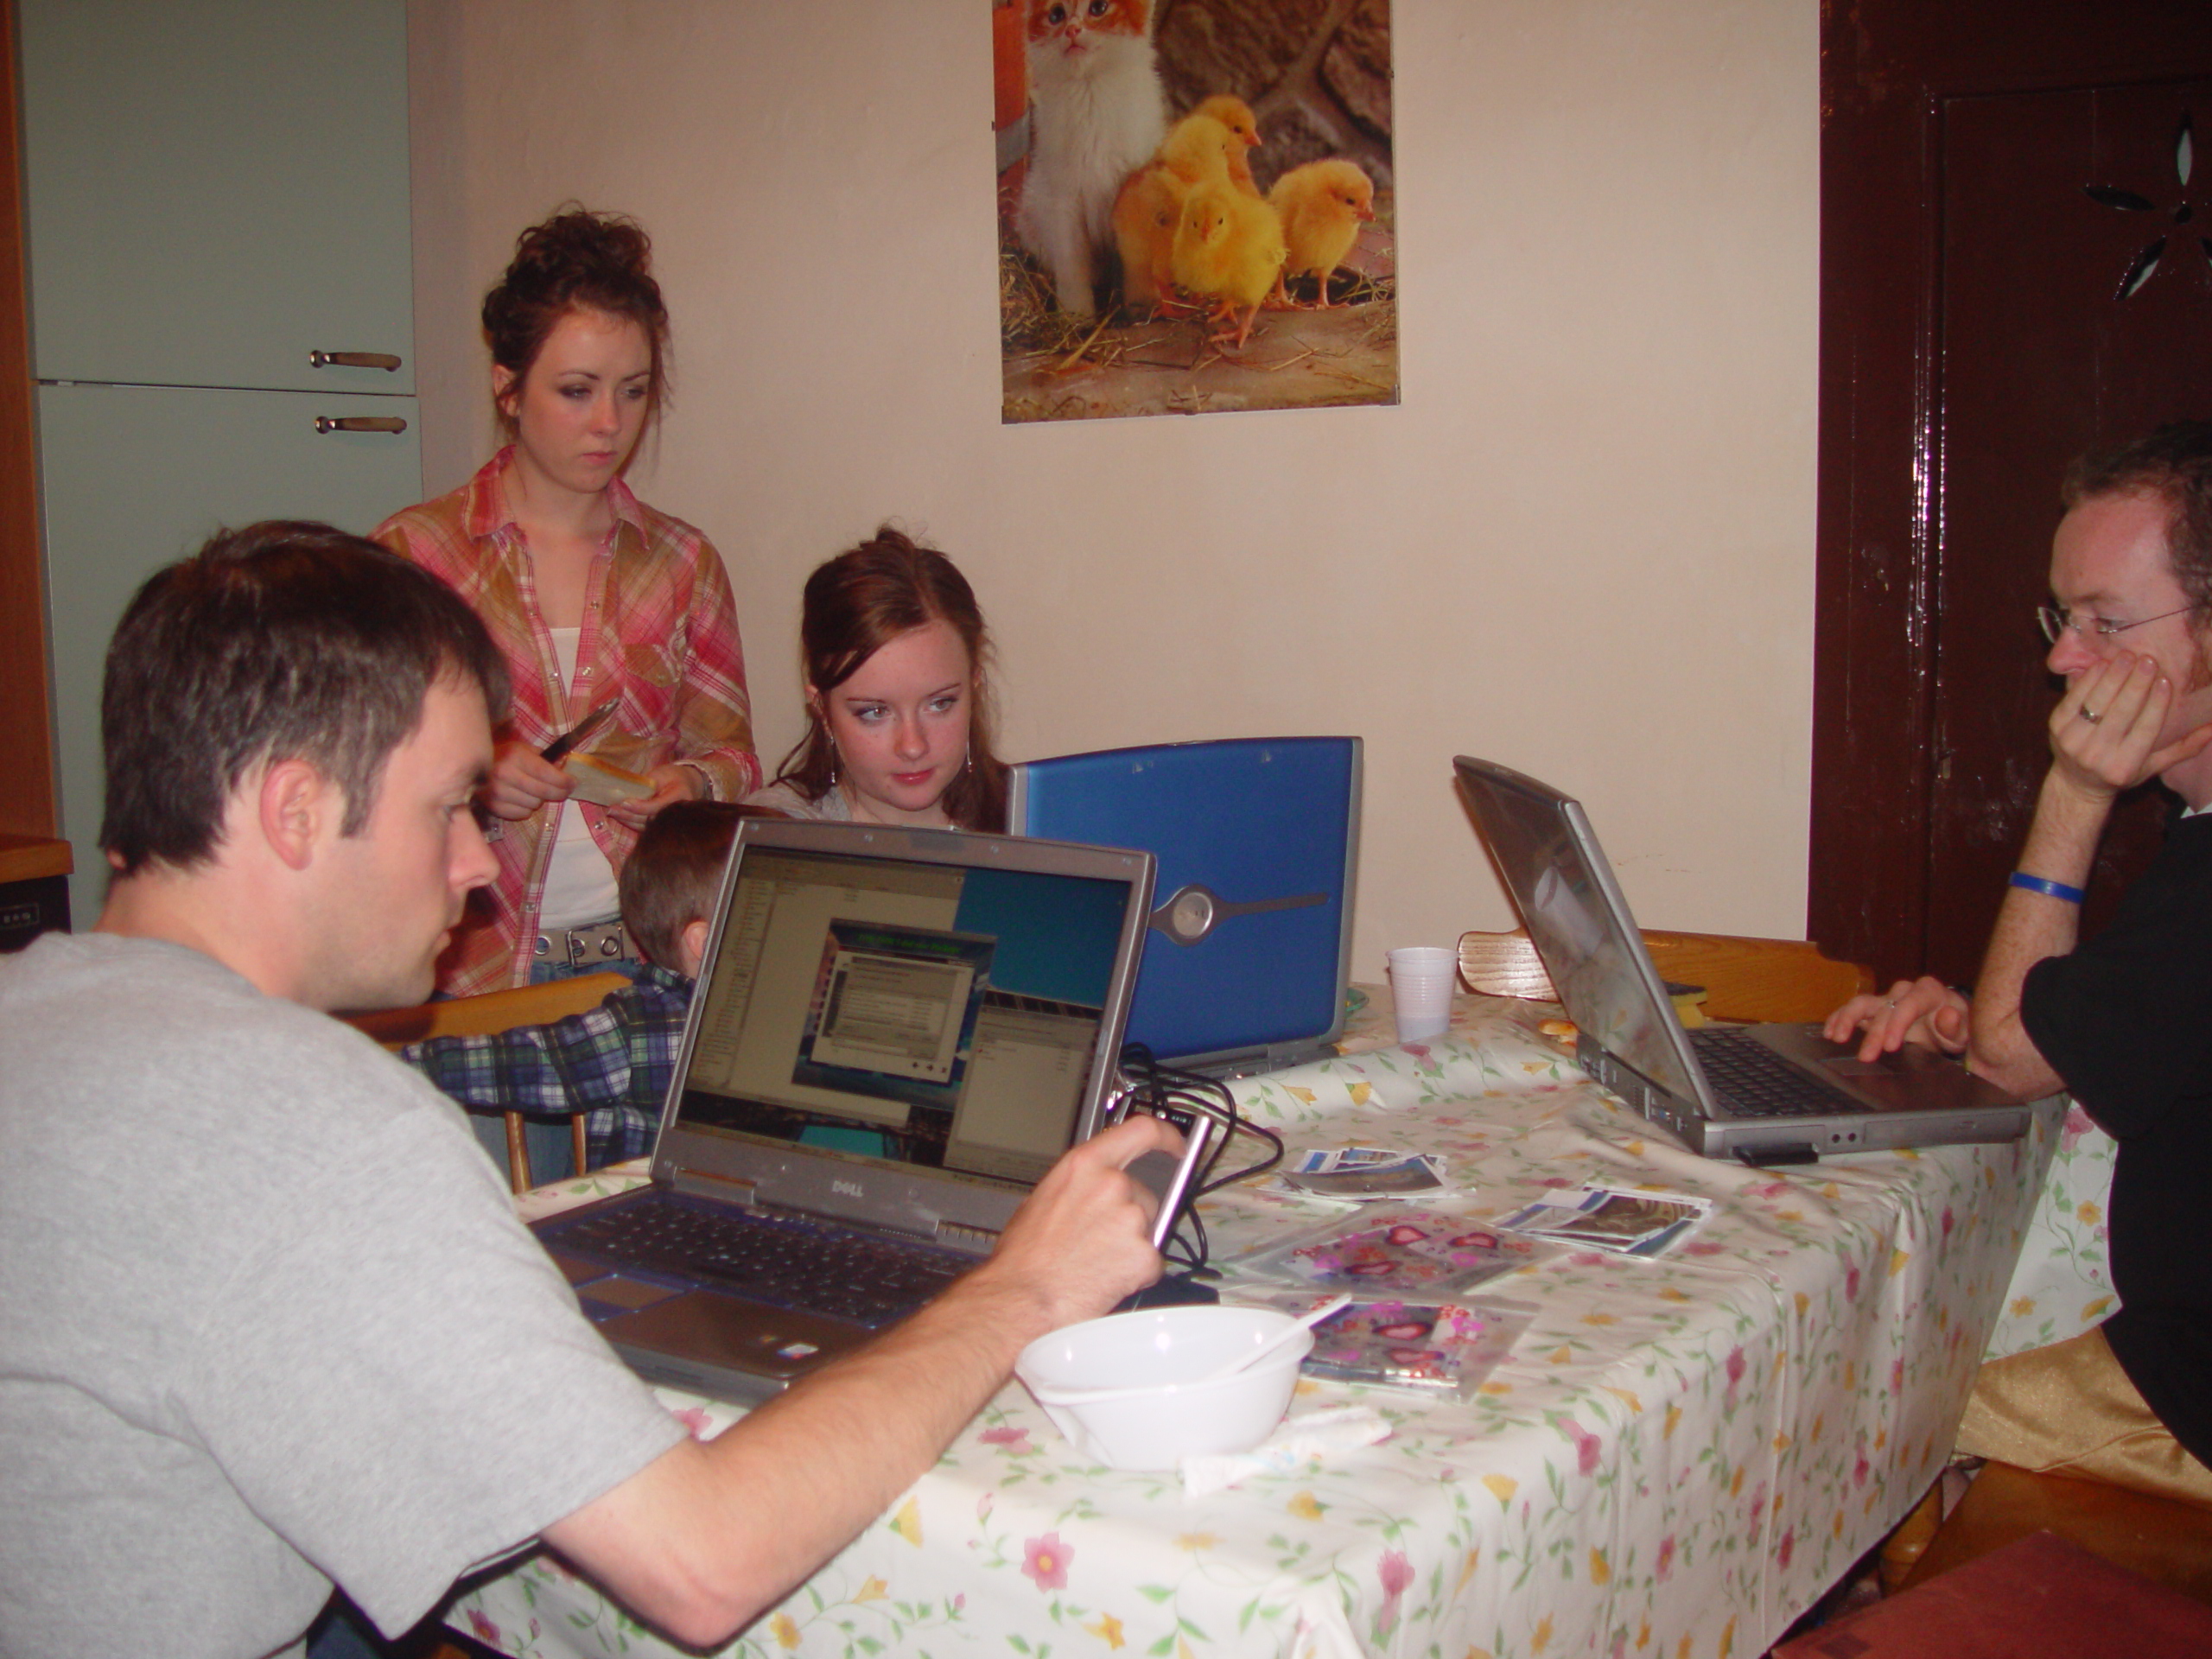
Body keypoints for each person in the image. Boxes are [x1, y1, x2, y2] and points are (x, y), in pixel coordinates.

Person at [0, 523, 1175, 1657]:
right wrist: (1021, 1285)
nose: (477, 869)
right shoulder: (320, 1126)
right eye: (450, 805)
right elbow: (704, 1563)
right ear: (296, 809)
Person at [1825, 422, 2212, 1509]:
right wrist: (1988, 1016)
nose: (2061, 658)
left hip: (2189, 1392)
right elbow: (2085, 1029)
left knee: (1870, 1415)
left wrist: (2074, 796)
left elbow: (2013, 1058)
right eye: (2063, 617)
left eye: (2106, 621)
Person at [373, 207, 761, 1007]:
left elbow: (735, 756)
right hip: (471, 969)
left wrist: (689, 781)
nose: (609, 424)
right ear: (508, 388)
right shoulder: (414, 559)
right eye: (577, 392)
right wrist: (478, 772)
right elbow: (364, 772)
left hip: (648, 965)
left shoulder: (683, 564)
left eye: (633, 391)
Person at [402, 800, 774, 1172]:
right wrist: (388, 1066)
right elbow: (520, 1063)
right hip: (642, 1217)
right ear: (705, 943)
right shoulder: (643, 1025)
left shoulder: (787, 1022)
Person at [746, 527, 1009, 830]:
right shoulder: (773, 837)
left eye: (940, 704)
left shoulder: (1036, 822)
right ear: (822, 709)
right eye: (875, 712)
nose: (913, 746)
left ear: (974, 684)